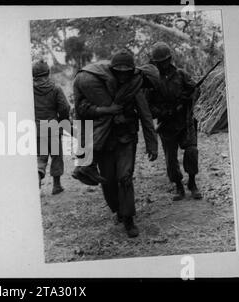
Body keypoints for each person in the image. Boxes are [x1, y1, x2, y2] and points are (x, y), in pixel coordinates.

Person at [73, 49, 158, 238]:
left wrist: (152, 144)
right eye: (118, 71)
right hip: (104, 143)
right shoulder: (99, 87)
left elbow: (146, 116)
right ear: (112, 71)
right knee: (108, 180)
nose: (122, 76)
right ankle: (118, 211)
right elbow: (82, 110)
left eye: (126, 72)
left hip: (126, 139)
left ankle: (129, 219)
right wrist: (104, 110)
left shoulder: (135, 89)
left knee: (125, 178)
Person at [147, 42, 202, 201]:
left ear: (170, 59)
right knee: (171, 158)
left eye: (165, 61)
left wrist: (188, 98)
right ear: (155, 63)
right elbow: (148, 106)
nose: (163, 64)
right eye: (159, 62)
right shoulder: (152, 80)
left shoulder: (181, 74)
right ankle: (178, 186)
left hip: (185, 121)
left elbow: (196, 89)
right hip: (167, 124)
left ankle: (192, 183)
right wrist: (165, 112)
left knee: (191, 151)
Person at [33, 60, 71, 195]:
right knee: (56, 156)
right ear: (48, 73)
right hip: (52, 128)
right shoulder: (55, 88)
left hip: (37, 129)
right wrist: (63, 121)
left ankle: (37, 177)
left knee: (40, 156)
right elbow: (65, 107)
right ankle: (56, 185)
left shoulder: (29, 89)